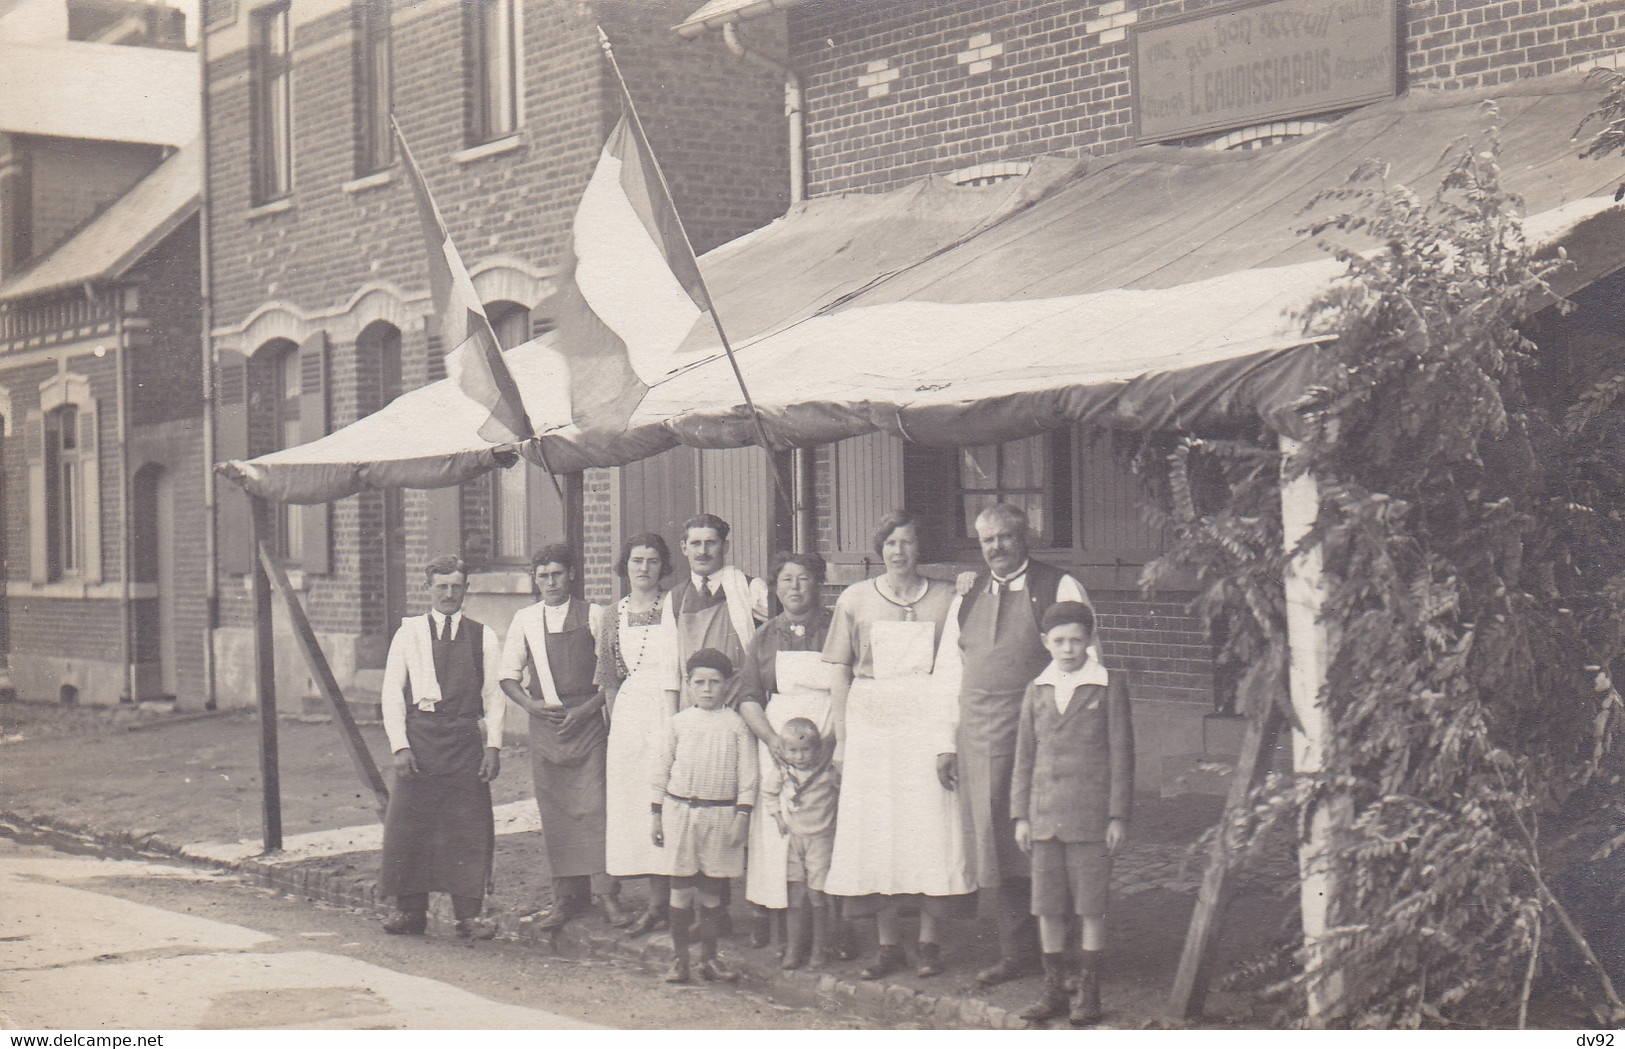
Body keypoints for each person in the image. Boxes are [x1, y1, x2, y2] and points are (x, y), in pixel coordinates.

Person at [936, 502, 1094, 985]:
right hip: (981, 738)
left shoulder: (1058, 586)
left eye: (1005, 537)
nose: (997, 548)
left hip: (1042, 737)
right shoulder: (968, 594)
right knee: (996, 845)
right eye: (987, 540)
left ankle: (1063, 957)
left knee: (1046, 841)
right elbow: (949, 672)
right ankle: (1015, 952)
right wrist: (947, 742)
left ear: (1025, 537)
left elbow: (1086, 663)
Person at [823, 510, 972, 980]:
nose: (899, 552)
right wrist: (843, 741)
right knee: (880, 830)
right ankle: (888, 945)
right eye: (890, 543)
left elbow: (960, 656)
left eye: (907, 542)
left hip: (926, 719)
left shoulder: (947, 597)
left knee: (928, 828)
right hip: (873, 722)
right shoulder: (855, 599)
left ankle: (928, 943)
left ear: (919, 548)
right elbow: (839, 672)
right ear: (879, 548)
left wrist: (970, 586)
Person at [1011, 602, 1133, 1025]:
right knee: (1048, 907)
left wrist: (1117, 816)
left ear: (1089, 641)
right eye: (1059, 641)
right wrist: (1021, 815)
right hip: (1044, 816)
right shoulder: (1037, 688)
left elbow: (1122, 755)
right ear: (1046, 643)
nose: (1068, 649)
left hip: (1090, 819)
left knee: (1090, 907)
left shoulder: (1107, 684)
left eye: (1076, 640)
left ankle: (1089, 992)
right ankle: (1053, 992)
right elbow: (1025, 755)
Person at [498, 544, 625, 930]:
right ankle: (567, 898)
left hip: (586, 726)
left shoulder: (598, 616)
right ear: (535, 580)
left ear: (571, 574)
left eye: (557, 573)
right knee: (555, 813)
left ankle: (607, 896)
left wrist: (585, 711)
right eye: (543, 576)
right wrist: (531, 706)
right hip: (548, 726)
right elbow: (507, 675)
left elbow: (612, 676)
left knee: (595, 808)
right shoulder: (525, 619)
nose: (551, 582)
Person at [378, 555, 505, 939]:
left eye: (456, 587)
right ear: (427, 588)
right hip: (420, 737)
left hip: (464, 739)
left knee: (468, 825)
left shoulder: (483, 635)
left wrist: (494, 746)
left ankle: (468, 915)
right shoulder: (409, 633)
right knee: (410, 825)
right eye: (441, 586)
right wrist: (400, 746)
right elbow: (391, 693)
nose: (449, 594)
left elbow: (494, 696)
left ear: (466, 589)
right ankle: (409, 911)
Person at [740, 551, 836, 945]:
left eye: (803, 579)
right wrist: (770, 739)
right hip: (780, 741)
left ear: (818, 583)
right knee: (777, 830)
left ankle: (831, 930)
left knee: (825, 832)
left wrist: (833, 740)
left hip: (827, 737)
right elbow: (748, 695)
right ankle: (777, 922)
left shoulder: (836, 627)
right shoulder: (765, 636)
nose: (794, 589)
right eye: (785, 581)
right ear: (775, 589)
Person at [651, 648, 759, 984]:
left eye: (715, 682)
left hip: (721, 816)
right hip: (681, 812)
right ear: (689, 685)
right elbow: (659, 771)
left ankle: (709, 958)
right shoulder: (677, 724)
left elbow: (748, 777)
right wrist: (656, 814)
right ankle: (680, 960)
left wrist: (742, 816)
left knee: (712, 892)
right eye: (700, 682)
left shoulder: (738, 726)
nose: (708, 689)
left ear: (728, 685)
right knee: (681, 890)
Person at [597, 533, 682, 937]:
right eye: (636, 561)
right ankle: (648, 899)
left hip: (668, 706)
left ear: (663, 565)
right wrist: (617, 726)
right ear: (624, 567)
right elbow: (609, 678)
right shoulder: (613, 614)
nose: (644, 568)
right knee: (632, 803)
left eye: (651, 560)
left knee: (663, 798)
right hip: (630, 715)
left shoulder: (675, 607)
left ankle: (663, 902)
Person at [666, 513, 770, 710]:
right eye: (695, 543)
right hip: (692, 707)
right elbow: (669, 668)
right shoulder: (676, 598)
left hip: (739, 702)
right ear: (684, 548)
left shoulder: (748, 589)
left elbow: (772, 644)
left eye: (710, 543)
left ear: (725, 546)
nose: (703, 551)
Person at [763, 717, 840, 970]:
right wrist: (777, 816)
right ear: (783, 751)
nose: (800, 756)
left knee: (817, 895)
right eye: (793, 750)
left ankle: (819, 950)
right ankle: (795, 948)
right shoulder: (784, 773)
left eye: (806, 750)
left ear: (818, 750)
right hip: (794, 838)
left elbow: (845, 794)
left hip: (821, 839)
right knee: (795, 893)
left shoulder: (828, 773)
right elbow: (768, 792)